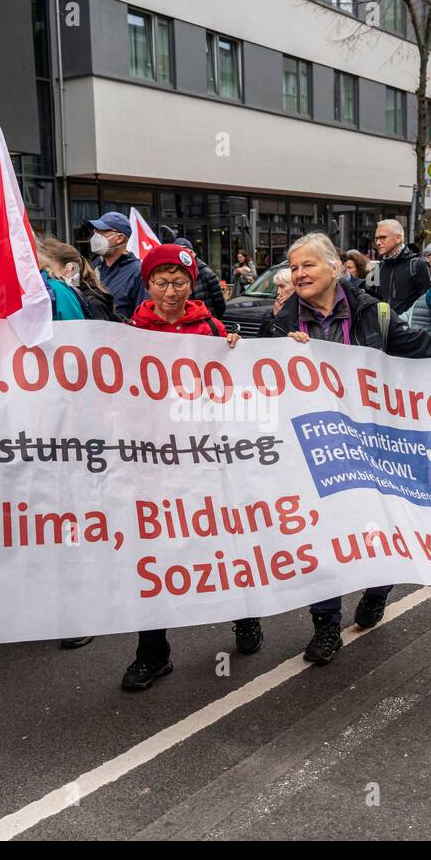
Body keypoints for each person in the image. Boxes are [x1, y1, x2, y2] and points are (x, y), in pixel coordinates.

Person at [268, 231, 431, 665]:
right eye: (293, 268)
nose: (298, 274)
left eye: (307, 265)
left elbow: (419, 349)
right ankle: (326, 626)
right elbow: (257, 375)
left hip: (373, 440)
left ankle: (378, 587)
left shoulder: (374, 313)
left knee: (378, 523)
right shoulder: (280, 321)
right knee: (323, 533)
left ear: (333, 267)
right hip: (314, 444)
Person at [120, 244, 253, 690]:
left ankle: (245, 613)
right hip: (153, 461)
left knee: (224, 540)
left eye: (179, 282)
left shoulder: (213, 328)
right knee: (153, 552)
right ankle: (152, 652)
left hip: (207, 457)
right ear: (149, 284)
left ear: (191, 285)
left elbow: (240, 387)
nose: (170, 291)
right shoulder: (130, 331)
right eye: (161, 281)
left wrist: (236, 351)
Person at [88, 212, 143, 318]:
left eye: (102, 232)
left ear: (120, 238)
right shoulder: (94, 266)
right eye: (95, 231)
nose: (95, 236)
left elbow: (142, 317)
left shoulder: (138, 272)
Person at [370, 219, 430, 313]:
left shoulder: (417, 264)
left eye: (383, 237)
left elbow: (429, 301)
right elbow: (371, 298)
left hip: (408, 326)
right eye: (376, 238)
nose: (378, 243)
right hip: (383, 325)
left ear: (398, 238)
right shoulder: (378, 267)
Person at [173, 238, 226, 318]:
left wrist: (211, 322)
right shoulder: (173, 274)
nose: (181, 255)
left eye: (184, 251)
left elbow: (220, 304)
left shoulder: (206, 273)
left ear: (192, 253)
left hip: (205, 322)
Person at [258, 267, 294, 338]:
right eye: (277, 287)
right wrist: (274, 316)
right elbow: (263, 339)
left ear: (295, 286)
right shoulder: (272, 312)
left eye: (282, 286)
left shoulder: (303, 310)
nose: (278, 292)